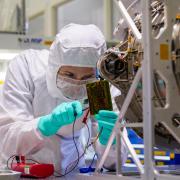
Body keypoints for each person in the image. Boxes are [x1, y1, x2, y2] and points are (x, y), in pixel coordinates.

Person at [0, 24, 128, 174]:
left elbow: (114, 163)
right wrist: (44, 125)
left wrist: (110, 140)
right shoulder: (28, 68)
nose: (77, 83)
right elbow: (6, 143)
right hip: (24, 173)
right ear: (54, 66)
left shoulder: (97, 87)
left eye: (86, 77)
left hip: (72, 173)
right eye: (69, 75)